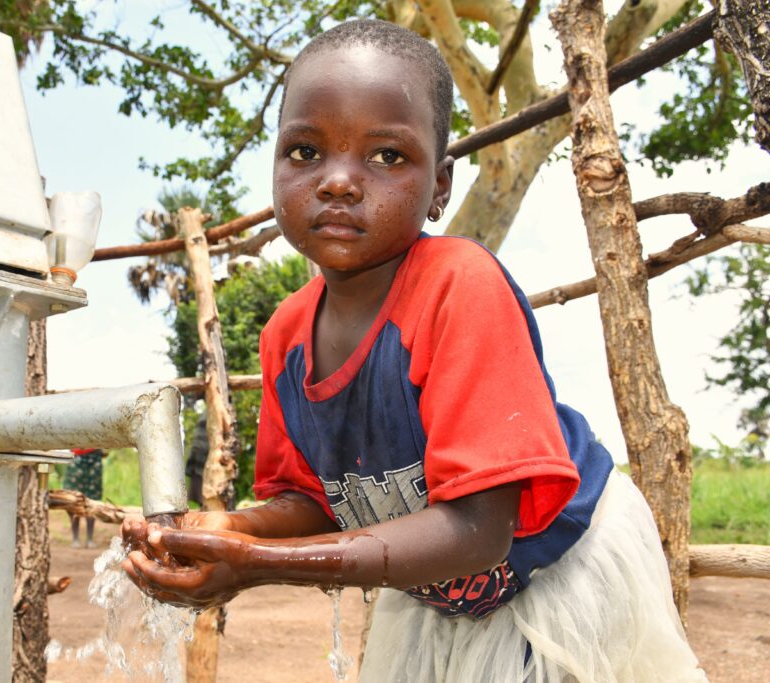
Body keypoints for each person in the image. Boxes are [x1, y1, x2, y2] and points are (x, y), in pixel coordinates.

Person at [121, 19, 707, 682]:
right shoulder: (285, 336)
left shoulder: (459, 286)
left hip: (559, 567)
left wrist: (260, 565)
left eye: (387, 157)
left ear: (441, 186)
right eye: (305, 151)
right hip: (438, 590)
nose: (339, 181)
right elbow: (315, 502)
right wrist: (234, 530)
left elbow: (480, 530)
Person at [64, 448, 106, 548]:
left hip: (94, 456)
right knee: (73, 497)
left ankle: (90, 539)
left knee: (93, 497)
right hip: (76, 456)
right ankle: (75, 538)